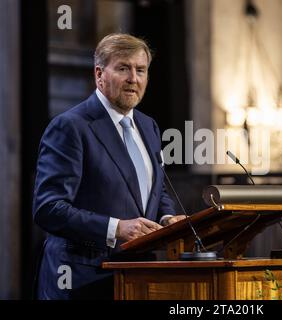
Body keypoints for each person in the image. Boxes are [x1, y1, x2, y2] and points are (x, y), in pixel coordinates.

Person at [32, 33, 185, 299]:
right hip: (80, 278)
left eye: (140, 70)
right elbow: (48, 208)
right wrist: (116, 228)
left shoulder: (148, 126)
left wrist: (167, 219)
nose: (133, 79)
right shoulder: (71, 127)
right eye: (123, 68)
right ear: (99, 74)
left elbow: (155, 190)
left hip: (137, 277)